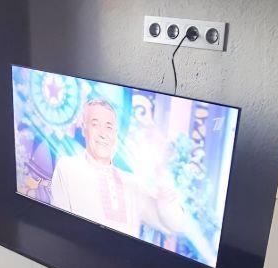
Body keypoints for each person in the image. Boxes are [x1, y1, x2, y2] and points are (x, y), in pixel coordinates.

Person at [50, 98, 185, 239]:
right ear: (84, 129)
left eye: (108, 127)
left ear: (115, 133)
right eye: (95, 125)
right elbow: (58, 226)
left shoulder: (132, 183)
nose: (103, 134)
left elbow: (175, 225)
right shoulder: (68, 167)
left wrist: (165, 200)